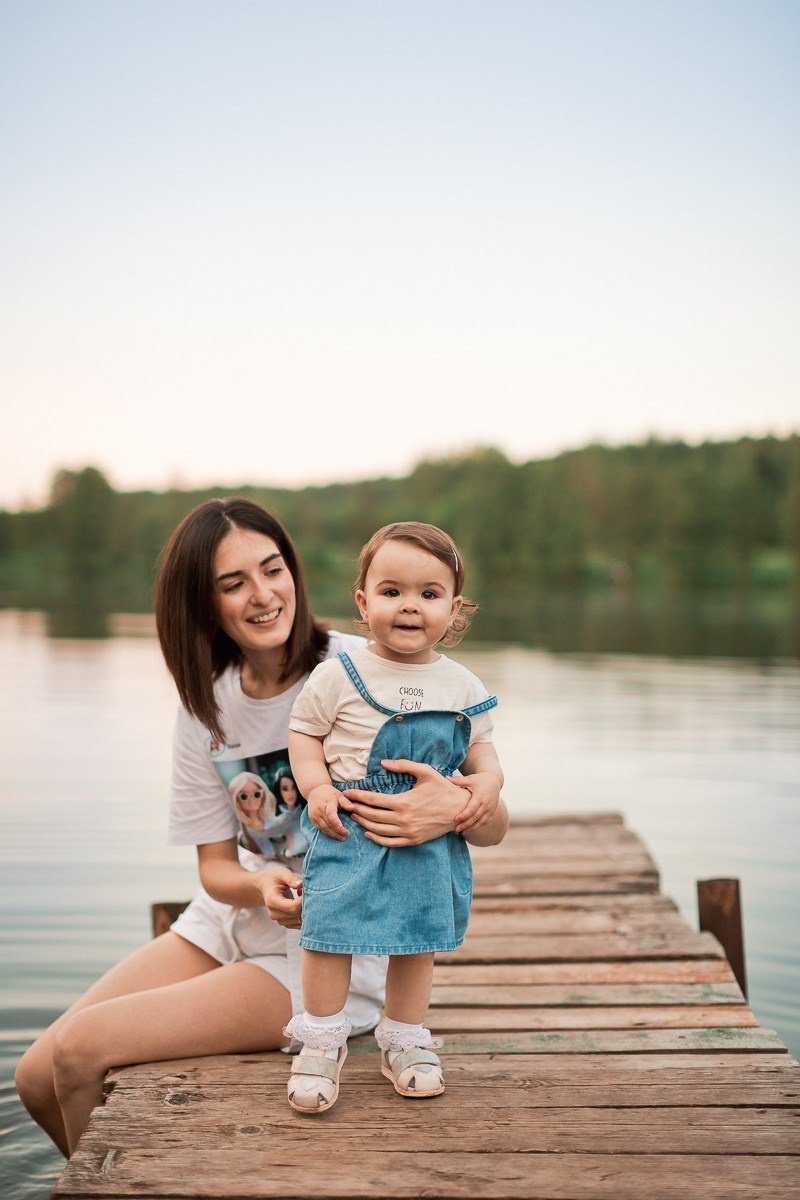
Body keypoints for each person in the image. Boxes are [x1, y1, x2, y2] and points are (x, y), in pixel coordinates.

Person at [14, 499, 509, 1156]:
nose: (263, 595)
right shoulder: (205, 706)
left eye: (272, 569)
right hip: (237, 917)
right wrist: (262, 884)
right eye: (233, 583)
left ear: (295, 573)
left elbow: (493, 820)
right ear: (203, 603)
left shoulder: (371, 666)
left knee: (81, 1051)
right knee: (34, 1079)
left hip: (334, 943)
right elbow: (216, 870)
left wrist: (455, 806)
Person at [285, 521, 505, 1113]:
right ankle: (322, 1038)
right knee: (329, 934)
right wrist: (316, 788)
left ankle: (403, 1037)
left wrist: (485, 785)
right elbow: (305, 733)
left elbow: (481, 749)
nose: (410, 606)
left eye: (429, 594)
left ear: (453, 608)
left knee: (417, 941)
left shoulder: (461, 683)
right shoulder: (341, 673)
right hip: (351, 821)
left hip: (430, 837)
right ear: (363, 600)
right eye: (392, 591)